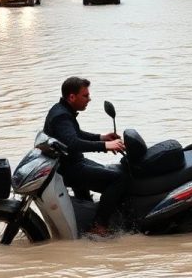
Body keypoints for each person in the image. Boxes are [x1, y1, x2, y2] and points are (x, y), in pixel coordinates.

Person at [43, 77, 128, 237]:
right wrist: (105, 146)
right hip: (71, 167)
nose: (89, 99)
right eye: (85, 96)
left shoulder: (61, 110)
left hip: (70, 162)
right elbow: (73, 143)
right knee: (119, 180)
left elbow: (75, 135)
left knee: (109, 173)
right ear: (72, 97)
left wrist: (102, 137)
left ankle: (87, 219)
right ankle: (99, 225)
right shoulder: (62, 116)